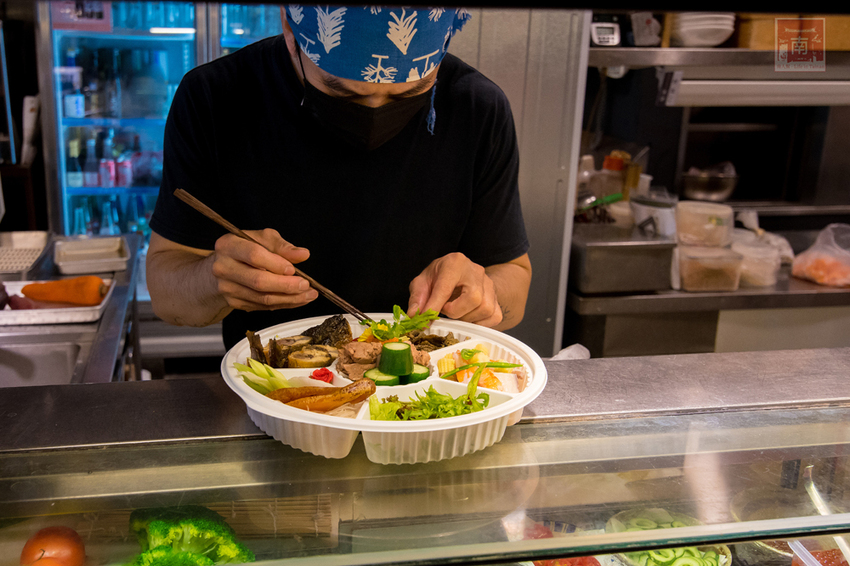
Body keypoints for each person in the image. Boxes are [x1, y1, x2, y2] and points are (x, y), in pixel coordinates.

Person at [146, 5, 532, 350]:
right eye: (343, 95)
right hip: (274, 387)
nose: (375, 112)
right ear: (289, 28)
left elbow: (514, 282)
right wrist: (213, 282)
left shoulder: (477, 108)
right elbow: (167, 296)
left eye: (408, 96)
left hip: (427, 386)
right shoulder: (215, 98)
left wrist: (485, 293)